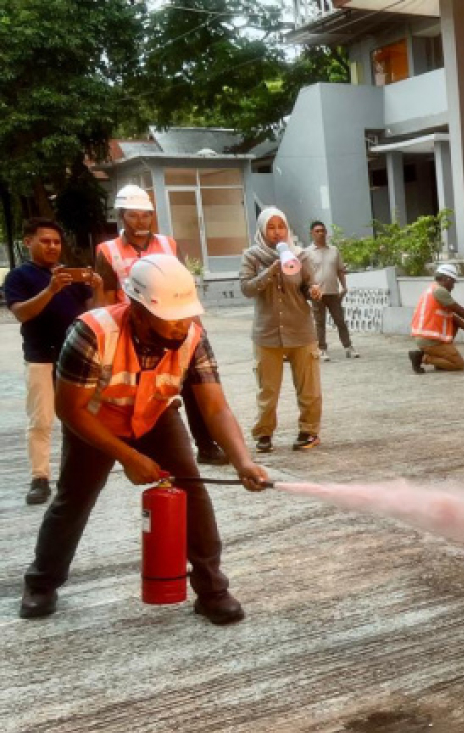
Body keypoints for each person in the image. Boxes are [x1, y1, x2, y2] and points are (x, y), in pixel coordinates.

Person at [17, 254, 271, 624]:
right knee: (73, 500)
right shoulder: (92, 332)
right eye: (170, 318)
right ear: (135, 307)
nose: (180, 326)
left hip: (155, 415)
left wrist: (243, 461)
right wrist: (127, 457)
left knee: (192, 493)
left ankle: (212, 589)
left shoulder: (192, 336)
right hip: (94, 420)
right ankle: (41, 582)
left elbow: (216, 408)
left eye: (185, 315)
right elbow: (69, 410)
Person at [95, 185, 228, 466]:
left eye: (145, 215)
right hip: (135, 333)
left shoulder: (168, 245)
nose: (140, 221)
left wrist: (197, 329)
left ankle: (206, 444)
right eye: (133, 216)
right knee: (141, 392)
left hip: (175, 324)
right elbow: (106, 299)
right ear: (121, 216)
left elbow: (184, 287)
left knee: (195, 386)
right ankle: (134, 447)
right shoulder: (108, 251)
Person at [4, 218, 103, 505]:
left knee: (81, 416)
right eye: (45, 241)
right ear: (28, 242)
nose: (52, 247)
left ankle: (80, 472)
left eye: (56, 242)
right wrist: (50, 290)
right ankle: (40, 477)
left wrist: (96, 288)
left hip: (75, 358)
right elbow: (22, 313)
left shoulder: (69, 276)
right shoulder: (18, 277)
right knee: (41, 419)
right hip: (40, 357)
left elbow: (92, 313)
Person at [240, 207, 324, 452]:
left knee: (309, 388)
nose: (277, 232)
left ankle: (309, 431)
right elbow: (246, 288)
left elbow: (308, 285)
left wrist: (314, 292)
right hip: (266, 333)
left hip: (301, 330)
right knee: (268, 390)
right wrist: (271, 271)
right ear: (262, 230)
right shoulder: (252, 256)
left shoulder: (301, 256)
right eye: (271, 227)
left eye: (281, 226)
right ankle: (263, 434)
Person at [407, 264, 464, 372]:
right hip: (430, 341)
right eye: (453, 282)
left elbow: (452, 317)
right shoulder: (439, 291)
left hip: (426, 338)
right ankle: (423, 358)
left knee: (453, 324)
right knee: (458, 364)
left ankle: (441, 361)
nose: (453, 286)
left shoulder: (432, 288)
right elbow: (459, 310)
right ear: (447, 279)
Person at [301, 220, 357, 362]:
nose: (321, 234)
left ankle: (348, 347)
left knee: (340, 320)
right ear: (311, 233)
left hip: (333, 292)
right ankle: (322, 349)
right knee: (320, 322)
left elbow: (340, 270)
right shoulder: (307, 253)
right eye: (317, 231)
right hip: (317, 293)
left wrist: (344, 286)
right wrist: (308, 290)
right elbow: (303, 274)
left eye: (323, 231)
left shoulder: (334, 250)